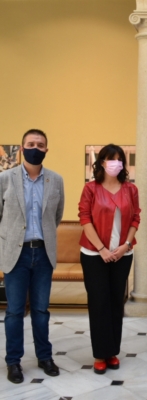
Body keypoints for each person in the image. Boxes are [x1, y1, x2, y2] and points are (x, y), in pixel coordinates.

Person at [0, 129, 64, 384]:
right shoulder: (5, 179)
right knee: (15, 312)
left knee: (41, 310)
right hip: (16, 254)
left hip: (43, 253)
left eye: (40, 144)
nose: (35, 147)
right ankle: (13, 362)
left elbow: (57, 215)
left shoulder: (56, 180)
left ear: (47, 149)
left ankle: (44, 357)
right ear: (22, 147)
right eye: (30, 143)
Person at [78, 144, 141, 374]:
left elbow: (136, 219)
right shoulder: (91, 189)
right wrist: (102, 248)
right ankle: (99, 354)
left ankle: (112, 351)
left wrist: (125, 246)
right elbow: (84, 219)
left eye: (119, 159)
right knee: (99, 303)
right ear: (102, 162)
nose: (115, 163)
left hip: (122, 255)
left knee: (116, 302)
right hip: (95, 255)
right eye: (110, 159)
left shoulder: (130, 189)